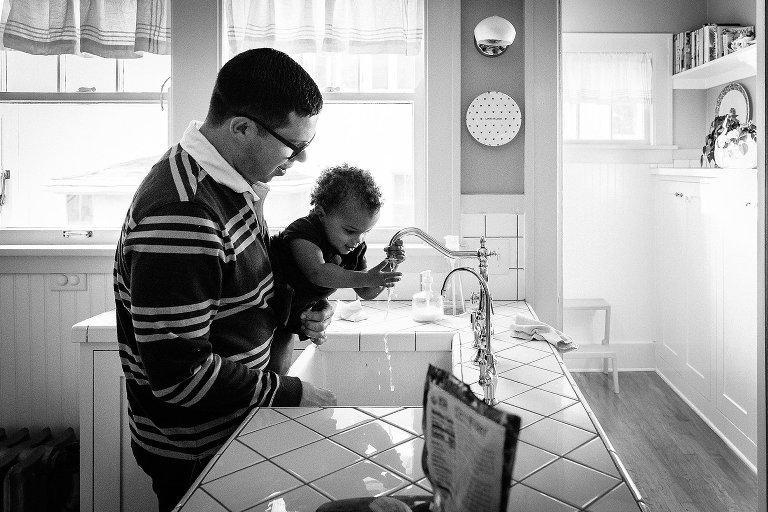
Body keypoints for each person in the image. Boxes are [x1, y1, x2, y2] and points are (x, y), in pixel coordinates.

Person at [113, 48, 337, 512]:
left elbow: (239, 294)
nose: (301, 158)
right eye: (293, 146)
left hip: (229, 433)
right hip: (198, 450)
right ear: (240, 128)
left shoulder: (231, 184)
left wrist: (294, 312)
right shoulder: (184, 212)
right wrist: (291, 393)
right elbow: (181, 378)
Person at [271, 164, 403, 335]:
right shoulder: (304, 231)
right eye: (350, 231)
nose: (359, 239)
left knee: (282, 359)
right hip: (269, 304)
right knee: (271, 353)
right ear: (320, 213)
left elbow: (367, 291)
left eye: (366, 232)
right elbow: (319, 273)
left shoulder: (354, 247)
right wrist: (368, 278)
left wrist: (390, 264)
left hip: (297, 310)